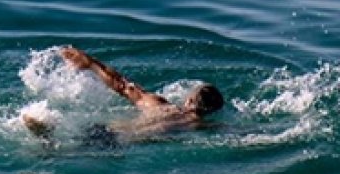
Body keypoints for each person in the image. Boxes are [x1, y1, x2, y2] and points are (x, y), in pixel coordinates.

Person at [23, 46, 224, 146]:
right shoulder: (198, 125)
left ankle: (46, 133)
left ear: (188, 99)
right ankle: (46, 139)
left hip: (105, 128)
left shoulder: (157, 104)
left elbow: (122, 85)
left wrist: (91, 62)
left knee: (74, 140)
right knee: (62, 154)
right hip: (118, 141)